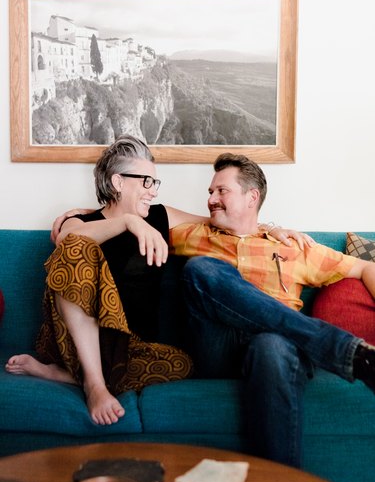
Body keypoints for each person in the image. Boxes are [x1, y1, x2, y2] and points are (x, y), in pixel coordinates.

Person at [5, 135, 309, 427]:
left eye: (155, 183)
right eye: (146, 181)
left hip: (128, 349)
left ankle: (68, 374)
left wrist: (271, 229)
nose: (153, 190)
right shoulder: (80, 224)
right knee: (76, 249)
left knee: (183, 364)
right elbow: (68, 241)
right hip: (74, 341)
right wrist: (128, 221)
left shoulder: (161, 216)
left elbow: (223, 224)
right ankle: (95, 385)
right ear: (118, 182)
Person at [169, 152, 375, 468]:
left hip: (277, 349)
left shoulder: (294, 247)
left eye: (221, 191)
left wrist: (265, 229)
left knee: (271, 344)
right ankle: (346, 352)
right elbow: (148, 213)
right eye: (210, 192)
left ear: (252, 197)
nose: (211, 199)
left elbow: (364, 268)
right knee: (201, 269)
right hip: (217, 348)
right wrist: (82, 215)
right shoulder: (195, 235)